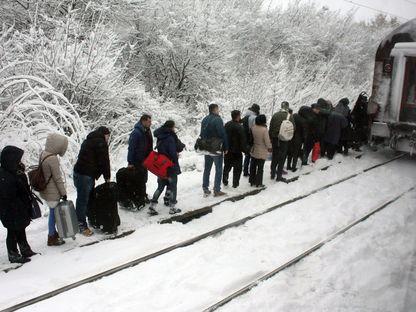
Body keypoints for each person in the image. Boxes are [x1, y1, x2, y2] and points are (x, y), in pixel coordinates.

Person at [0, 146, 36, 263]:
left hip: (19, 207)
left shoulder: (14, 170)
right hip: (11, 209)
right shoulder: (4, 175)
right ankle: (13, 254)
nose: (20, 161)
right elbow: (8, 194)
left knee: (21, 228)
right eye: (18, 159)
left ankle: (24, 248)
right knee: (12, 231)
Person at [74, 127, 111, 236]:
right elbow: (104, 161)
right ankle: (81, 225)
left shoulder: (88, 140)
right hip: (86, 175)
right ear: (104, 135)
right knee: (84, 200)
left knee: (84, 198)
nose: (108, 139)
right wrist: (107, 177)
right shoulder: (100, 143)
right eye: (108, 136)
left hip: (78, 172)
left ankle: (88, 219)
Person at [149, 120, 183, 216]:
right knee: (173, 186)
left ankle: (152, 206)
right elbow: (172, 153)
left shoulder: (160, 136)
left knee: (160, 186)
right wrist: (175, 163)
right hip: (170, 165)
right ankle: (172, 207)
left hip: (161, 164)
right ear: (171, 127)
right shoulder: (170, 138)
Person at [39, 133, 68, 246]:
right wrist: (63, 193)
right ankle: (51, 236)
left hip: (46, 189)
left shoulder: (43, 154)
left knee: (53, 212)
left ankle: (53, 233)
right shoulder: (52, 159)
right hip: (53, 192)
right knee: (53, 214)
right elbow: (57, 178)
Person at [201, 103, 229, 197]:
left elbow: (202, 133)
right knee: (218, 169)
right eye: (218, 109)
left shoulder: (204, 119)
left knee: (207, 169)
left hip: (206, 147)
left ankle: (205, 188)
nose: (218, 110)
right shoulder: (218, 119)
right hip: (216, 148)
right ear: (215, 109)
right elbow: (222, 134)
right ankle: (217, 190)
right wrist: (226, 147)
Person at [127, 114, 153, 208]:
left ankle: (143, 195)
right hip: (137, 161)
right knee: (138, 180)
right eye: (149, 121)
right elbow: (131, 148)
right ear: (143, 121)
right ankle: (138, 198)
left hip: (145, 160)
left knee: (144, 179)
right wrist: (130, 162)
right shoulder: (136, 133)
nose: (151, 123)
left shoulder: (147, 131)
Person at [269, 101, 294, 182]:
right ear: (287, 107)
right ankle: (279, 176)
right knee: (282, 158)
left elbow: (271, 127)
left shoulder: (275, 115)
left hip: (275, 139)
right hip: (284, 140)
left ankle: (272, 174)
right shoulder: (290, 116)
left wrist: (271, 138)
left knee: (275, 156)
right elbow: (293, 128)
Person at [223, 110, 248, 188]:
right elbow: (243, 140)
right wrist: (246, 150)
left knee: (227, 166)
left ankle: (225, 180)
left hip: (228, 150)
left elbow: (223, 136)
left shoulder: (227, 124)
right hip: (237, 151)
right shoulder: (240, 127)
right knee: (237, 169)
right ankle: (235, 184)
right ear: (238, 116)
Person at [250, 115, 272, 187]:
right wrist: (270, 147)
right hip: (262, 151)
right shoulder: (264, 129)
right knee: (260, 168)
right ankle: (258, 183)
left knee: (253, 166)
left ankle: (252, 180)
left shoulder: (253, 127)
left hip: (254, 149)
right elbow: (267, 141)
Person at [241, 104, 260, 176]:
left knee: (247, 155)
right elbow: (254, 129)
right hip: (250, 139)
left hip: (245, 138)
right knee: (251, 155)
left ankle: (245, 170)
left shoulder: (246, 116)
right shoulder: (253, 118)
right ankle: (249, 171)